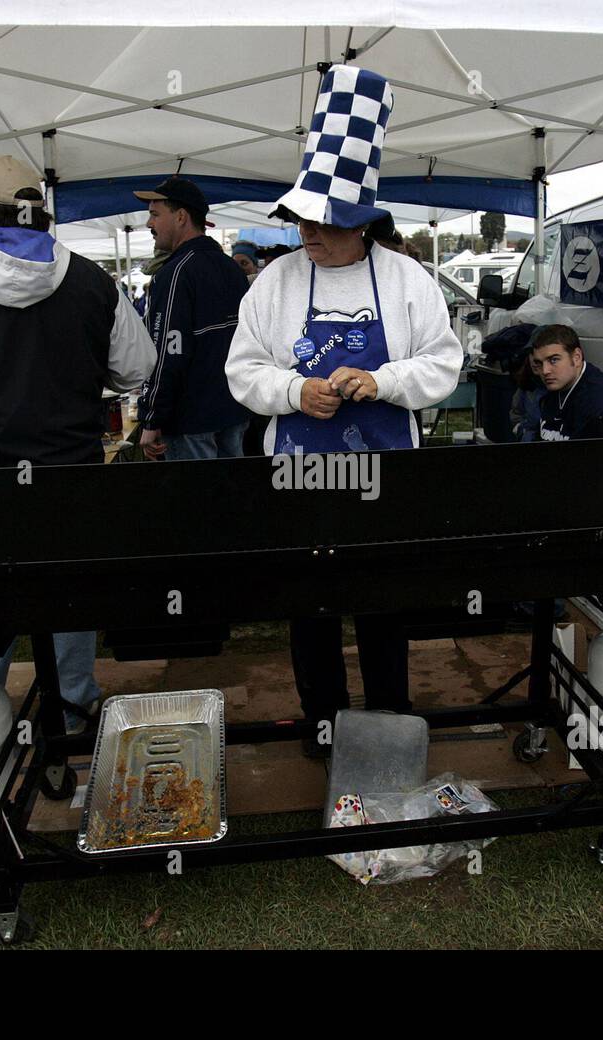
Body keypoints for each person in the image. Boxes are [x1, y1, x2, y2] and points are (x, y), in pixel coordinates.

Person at [225, 65, 461, 756]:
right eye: (302, 222)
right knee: (311, 607)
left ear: (364, 226)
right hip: (298, 476)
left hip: (386, 475)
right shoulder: (274, 282)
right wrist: (296, 392)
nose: (310, 236)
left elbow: (443, 365)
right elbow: (243, 371)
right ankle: (322, 727)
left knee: (383, 603)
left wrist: (382, 382)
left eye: (324, 225)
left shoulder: (407, 280)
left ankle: (388, 720)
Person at [0, 154, 154, 731]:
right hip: (74, 464)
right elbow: (136, 367)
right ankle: (71, 704)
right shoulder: (92, 278)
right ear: (39, 210)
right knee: (67, 585)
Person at [132, 177, 251, 461]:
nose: (149, 224)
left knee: (196, 503)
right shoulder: (230, 267)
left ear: (181, 216)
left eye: (155, 214)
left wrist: (151, 417)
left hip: (191, 419)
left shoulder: (176, 273)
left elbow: (165, 351)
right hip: (234, 411)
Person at [528, 324, 603, 440]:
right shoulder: (558, 387)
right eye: (539, 363)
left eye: (554, 360)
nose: (545, 371)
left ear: (577, 357)